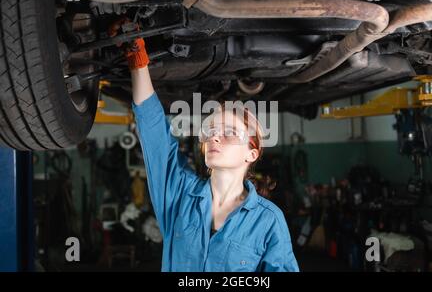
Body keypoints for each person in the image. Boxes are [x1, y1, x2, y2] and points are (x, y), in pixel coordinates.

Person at [121, 29, 299, 272]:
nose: (215, 136)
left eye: (229, 133)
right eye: (212, 129)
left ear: (251, 154)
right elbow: (156, 140)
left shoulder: (267, 220)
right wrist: (138, 61)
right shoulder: (180, 194)